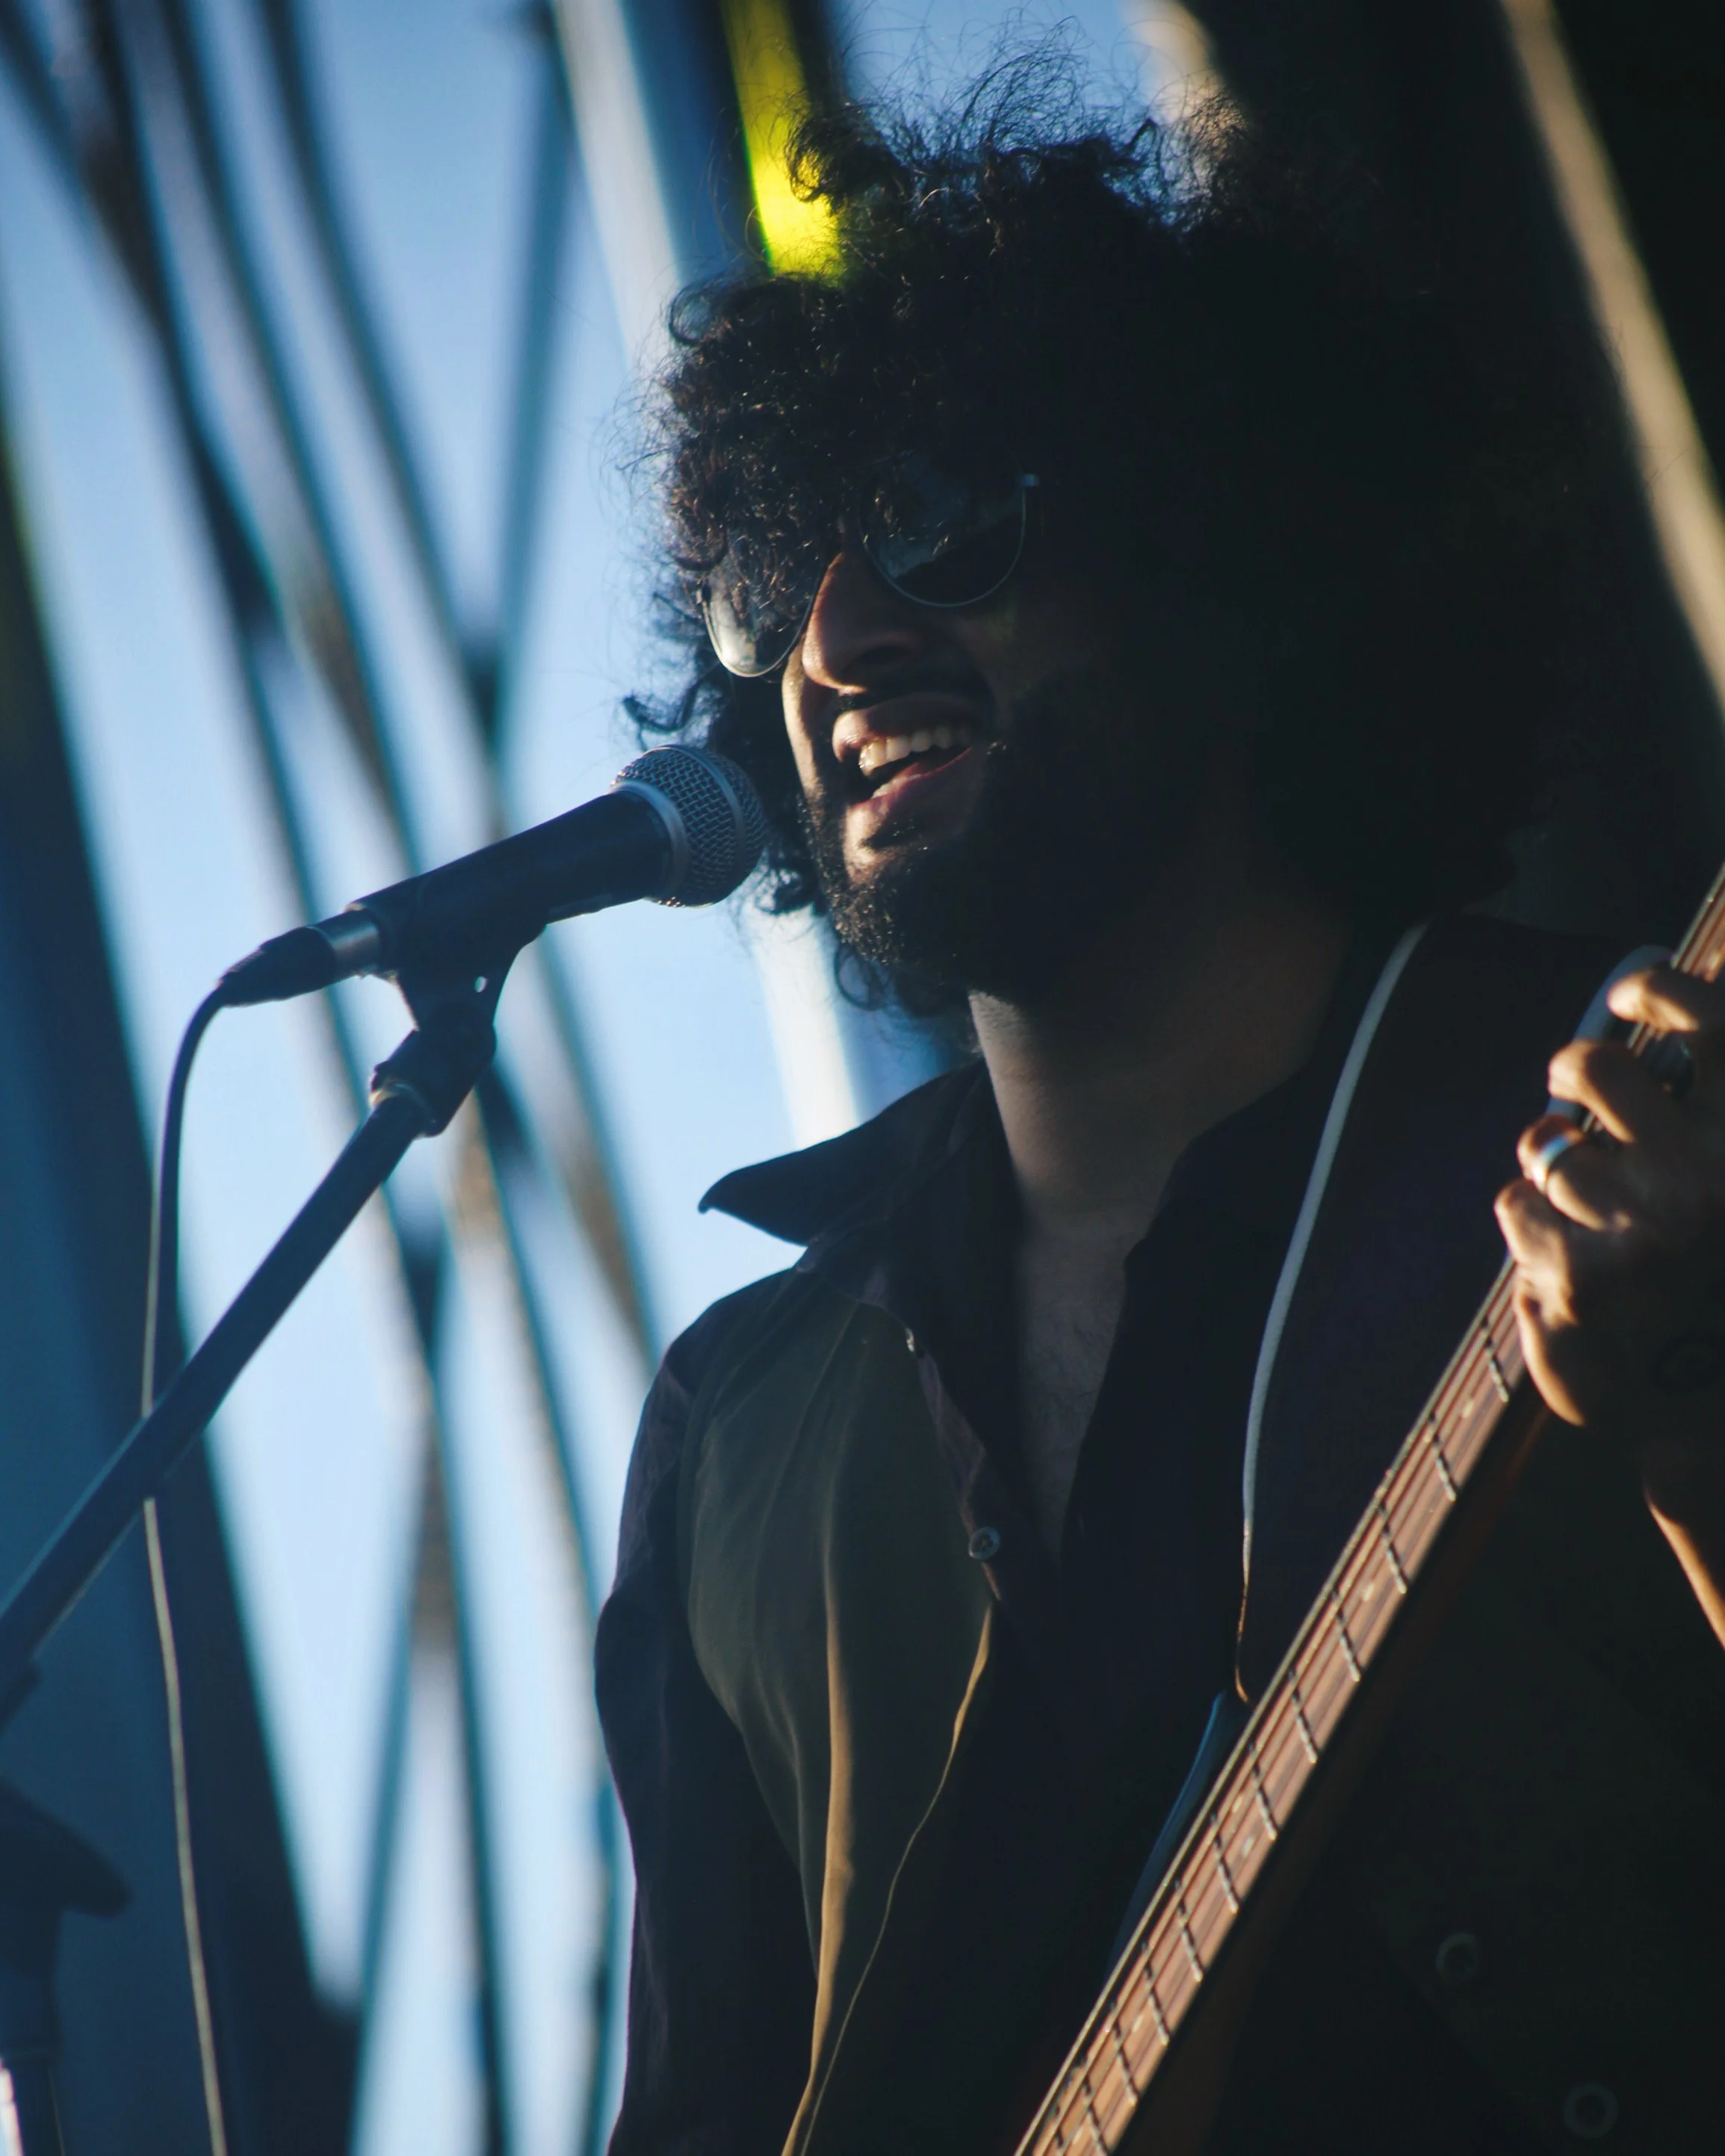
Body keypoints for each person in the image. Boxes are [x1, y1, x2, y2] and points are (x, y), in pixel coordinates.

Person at [595, 80, 1725, 2156]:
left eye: (942, 514)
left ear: (1207, 548)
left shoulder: (1640, 1102)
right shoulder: (741, 1429)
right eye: (778, 587)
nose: (838, 646)